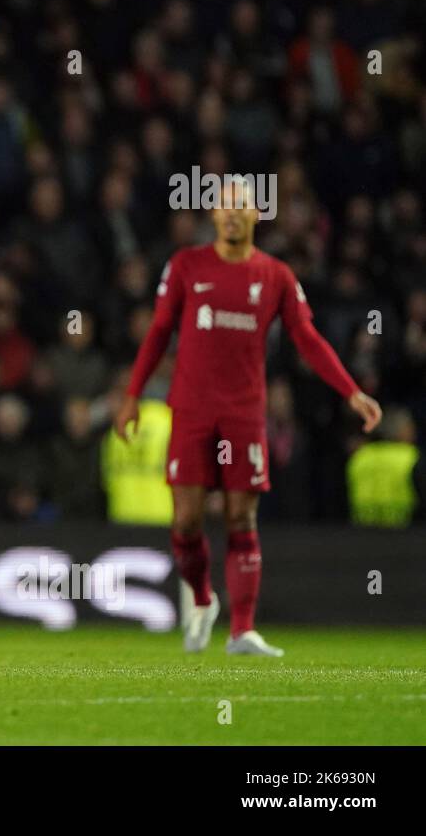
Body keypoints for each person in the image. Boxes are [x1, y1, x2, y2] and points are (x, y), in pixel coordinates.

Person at [115, 180, 382, 657]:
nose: (233, 214)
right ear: (214, 216)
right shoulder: (186, 266)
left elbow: (308, 339)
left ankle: (242, 630)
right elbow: (158, 332)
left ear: (257, 215)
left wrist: (351, 391)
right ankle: (202, 598)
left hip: (243, 413)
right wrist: (133, 395)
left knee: (241, 516)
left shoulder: (276, 275)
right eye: (224, 206)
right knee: (187, 520)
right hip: (192, 410)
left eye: (242, 206)